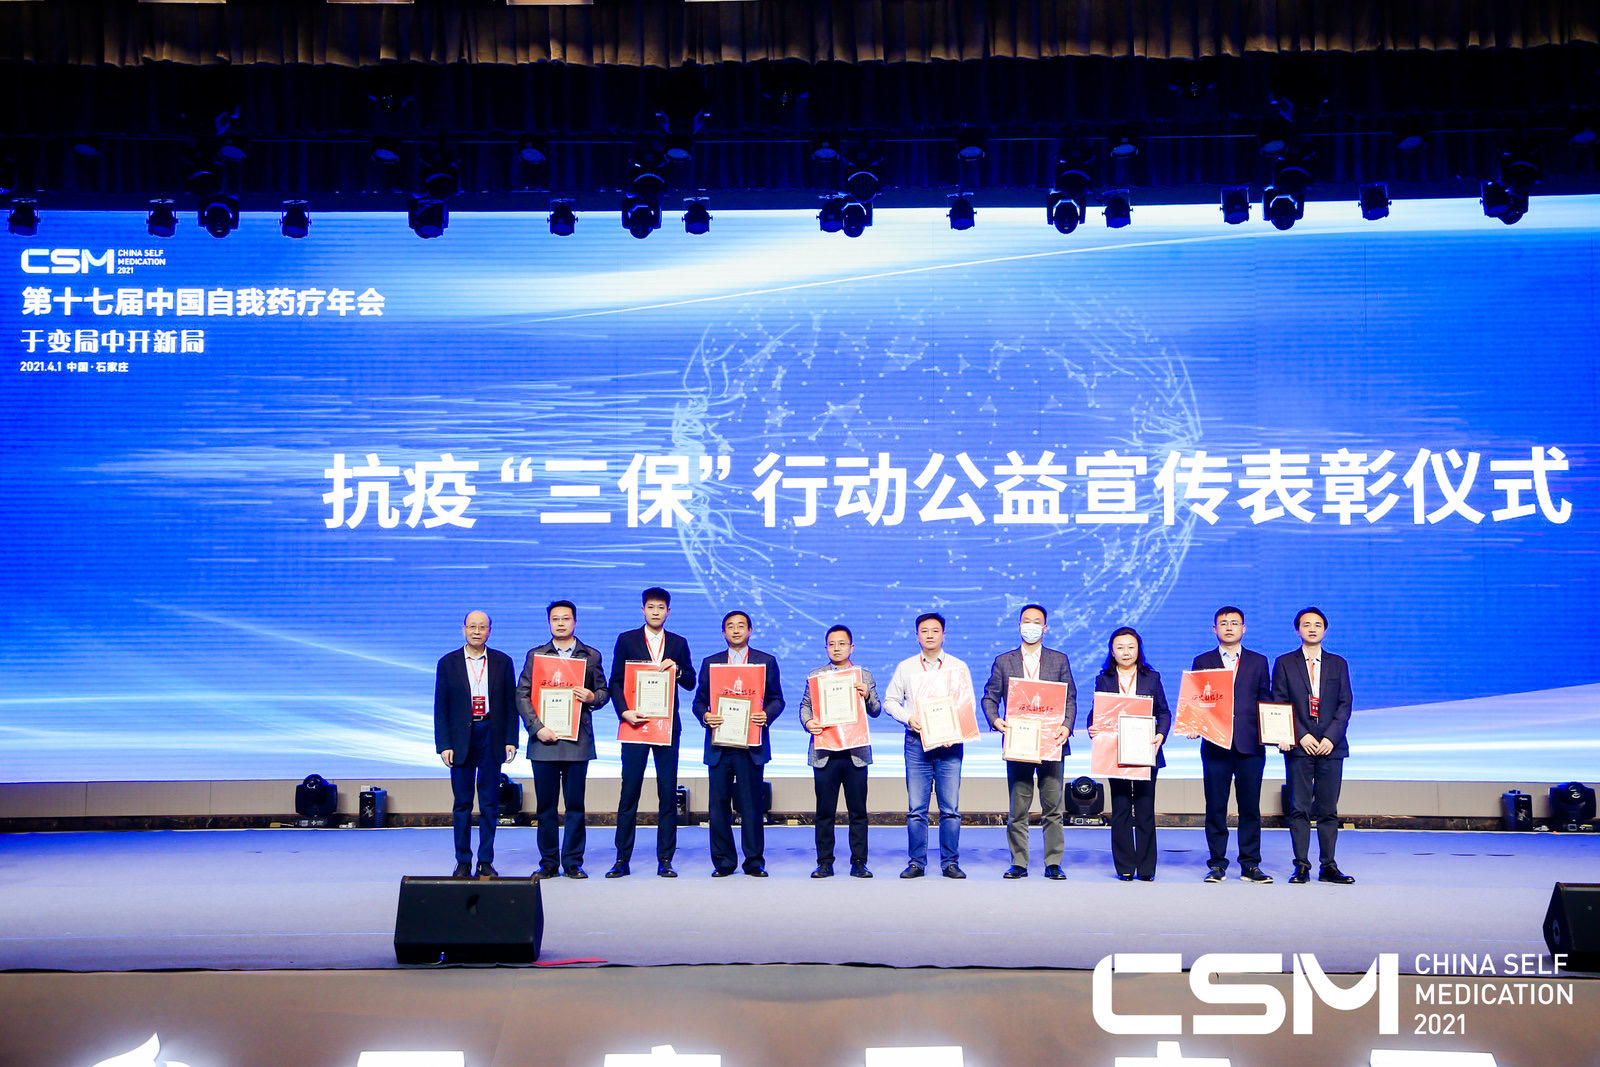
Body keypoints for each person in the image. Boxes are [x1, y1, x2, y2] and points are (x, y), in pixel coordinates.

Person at [981, 603, 1076, 880]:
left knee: (1053, 808)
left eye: (1037, 622)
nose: (1031, 626)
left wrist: (1067, 727)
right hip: (1019, 742)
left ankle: (1053, 862)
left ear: (1045, 628)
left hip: (1052, 742)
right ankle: (1019, 862)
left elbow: (1070, 698)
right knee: (1018, 808)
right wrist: (996, 721)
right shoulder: (1004, 661)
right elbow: (989, 697)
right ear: (1019, 626)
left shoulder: (1059, 660)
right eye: (1026, 621)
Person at [608, 586, 696, 878]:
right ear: (643, 610)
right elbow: (616, 681)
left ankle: (665, 859)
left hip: (666, 727)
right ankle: (622, 859)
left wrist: (678, 670)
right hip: (634, 724)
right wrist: (624, 711)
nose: (655, 612)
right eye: (650, 607)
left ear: (668, 611)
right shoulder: (627, 639)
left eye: (661, 608)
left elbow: (691, 681)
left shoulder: (679, 643)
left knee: (667, 793)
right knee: (629, 792)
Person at [515, 599, 608, 879]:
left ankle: (573, 863)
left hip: (577, 741)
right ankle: (548, 863)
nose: (560, 623)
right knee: (545, 808)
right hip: (544, 741)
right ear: (549, 623)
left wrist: (592, 697)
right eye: (555, 619)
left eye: (566, 618)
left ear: (575, 622)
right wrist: (536, 728)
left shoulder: (590, 655)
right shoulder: (536, 655)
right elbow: (522, 694)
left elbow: (604, 692)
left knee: (575, 806)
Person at [692, 610, 785, 877]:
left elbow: (778, 699)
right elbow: (699, 702)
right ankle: (723, 862)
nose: (736, 630)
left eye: (741, 626)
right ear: (723, 632)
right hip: (720, 746)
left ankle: (754, 862)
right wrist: (705, 716)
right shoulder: (711, 663)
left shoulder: (765, 661)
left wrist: (767, 714)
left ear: (750, 631)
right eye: (730, 626)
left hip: (751, 745)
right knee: (718, 807)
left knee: (752, 806)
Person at [883, 612, 976, 879]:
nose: (930, 635)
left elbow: (967, 704)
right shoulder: (906, 667)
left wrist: (956, 729)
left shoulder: (958, 667)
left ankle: (950, 863)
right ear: (917, 636)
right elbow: (890, 701)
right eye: (924, 631)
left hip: (950, 745)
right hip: (916, 743)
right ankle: (916, 863)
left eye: (935, 630)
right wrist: (908, 718)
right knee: (916, 810)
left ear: (943, 634)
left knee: (950, 810)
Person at [1188, 606, 1274, 884]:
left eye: (1234, 623)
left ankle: (1250, 864)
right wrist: (1193, 724)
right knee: (1215, 807)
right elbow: (1196, 700)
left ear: (1243, 628)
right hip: (1215, 744)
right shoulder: (1203, 661)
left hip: (1250, 744)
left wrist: (1276, 730)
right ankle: (1217, 864)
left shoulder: (1258, 661)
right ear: (1214, 629)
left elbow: (1265, 700)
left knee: (1250, 808)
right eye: (1223, 623)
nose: (1229, 627)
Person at [1271, 607, 1355, 885]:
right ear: (1298, 630)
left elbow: (1345, 703)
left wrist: (1330, 737)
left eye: (1317, 624)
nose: (1312, 629)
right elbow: (1279, 702)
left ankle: (1328, 866)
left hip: (1332, 747)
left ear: (1325, 630)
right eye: (1306, 624)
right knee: (1299, 808)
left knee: (1328, 809)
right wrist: (1301, 735)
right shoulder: (1285, 663)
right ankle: (1301, 866)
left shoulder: (1338, 663)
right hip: (1299, 746)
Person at [433, 610, 519, 879]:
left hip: (491, 733)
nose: (477, 631)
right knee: (462, 803)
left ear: (490, 631)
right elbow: (441, 707)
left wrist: (511, 739)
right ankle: (462, 861)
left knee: (490, 802)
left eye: (482, 627)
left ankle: (485, 860)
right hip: (460, 737)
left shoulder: (503, 661)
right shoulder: (447, 663)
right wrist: (444, 744)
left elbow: (510, 704)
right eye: (472, 626)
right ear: (464, 629)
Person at [798, 624, 883, 878]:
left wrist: (867, 695)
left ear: (851, 647)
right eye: (832, 644)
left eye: (842, 643)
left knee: (858, 812)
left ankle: (859, 862)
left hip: (855, 753)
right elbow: (805, 706)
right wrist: (808, 723)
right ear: (826, 648)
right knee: (824, 812)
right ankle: (824, 862)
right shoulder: (816, 676)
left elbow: (876, 710)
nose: (837, 648)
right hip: (825, 753)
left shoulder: (863, 675)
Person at [1089, 627, 1169, 881]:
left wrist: (1161, 734)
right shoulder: (1104, 679)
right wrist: (1092, 726)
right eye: (1120, 647)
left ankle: (1146, 869)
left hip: (1145, 751)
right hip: (1114, 753)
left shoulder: (1151, 677)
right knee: (1121, 809)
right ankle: (1125, 866)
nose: (1126, 652)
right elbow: (1096, 712)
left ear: (1138, 650)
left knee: (1145, 809)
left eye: (1131, 647)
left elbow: (1164, 712)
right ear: (1112, 651)